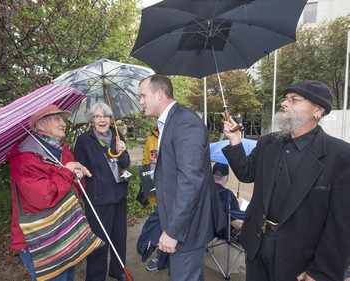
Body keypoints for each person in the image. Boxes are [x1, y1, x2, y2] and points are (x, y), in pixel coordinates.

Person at [222, 80, 350, 281]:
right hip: (256, 245)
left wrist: (321, 272)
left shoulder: (341, 154)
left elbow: (341, 224)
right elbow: (246, 174)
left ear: (318, 110)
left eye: (294, 100)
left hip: (299, 259)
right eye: (284, 99)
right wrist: (235, 141)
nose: (284, 103)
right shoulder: (268, 142)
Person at [139, 74, 226, 281]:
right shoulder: (170, 122)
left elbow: (191, 181)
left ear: (159, 94)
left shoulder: (185, 122)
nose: (140, 101)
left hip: (188, 227)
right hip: (179, 221)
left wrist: (173, 231)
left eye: (143, 95)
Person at [7, 104, 91, 281]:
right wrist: (68, 171)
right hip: (41, 239)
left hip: (65, 231)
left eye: (63, 119)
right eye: (57, 119)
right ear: (40, 125)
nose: (64, 123)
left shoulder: (61, 152)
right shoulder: (24, 158)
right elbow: (43, 197)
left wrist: (78, 176)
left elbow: (74, 190)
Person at [74, 102, 131, 281]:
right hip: (98, 199)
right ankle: (95, 277)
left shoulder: (117, 135)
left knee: (119, 237)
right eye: (98, 116)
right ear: (92, 120)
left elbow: (126, 163)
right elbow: (79, 169)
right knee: (99, 241)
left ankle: (117, 269)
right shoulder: (84, 140)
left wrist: (122, 152)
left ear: (110, 119)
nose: (102, 120)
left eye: (105, 116)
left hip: (119, 196)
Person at [140, 127, 169, 271]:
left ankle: (170, 258)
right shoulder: (151, 140)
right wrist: (150, 163)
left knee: (174, 228)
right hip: (157, 194)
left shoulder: (174, 136)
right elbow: (144, 162)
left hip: (173, 193)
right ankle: (160, 256)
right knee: (160, 228)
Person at [212, 162, 243, 230]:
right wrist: (238, 205)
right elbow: (237, 224)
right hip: (218, 237)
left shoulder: (203, 190)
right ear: (227, 178)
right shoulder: (228, 194)